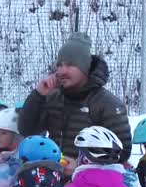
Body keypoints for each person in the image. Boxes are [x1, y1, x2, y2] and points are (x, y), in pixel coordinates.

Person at [18, 32, 132, 175]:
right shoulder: (53, 97)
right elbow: (27, 130)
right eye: (59, 65)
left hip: (91, 184)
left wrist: (81, 166)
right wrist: (38, 95)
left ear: (85, 68)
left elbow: (122, 152)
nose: (62, 71)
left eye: (70, 65)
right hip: (53, 180)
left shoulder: (107, 104)